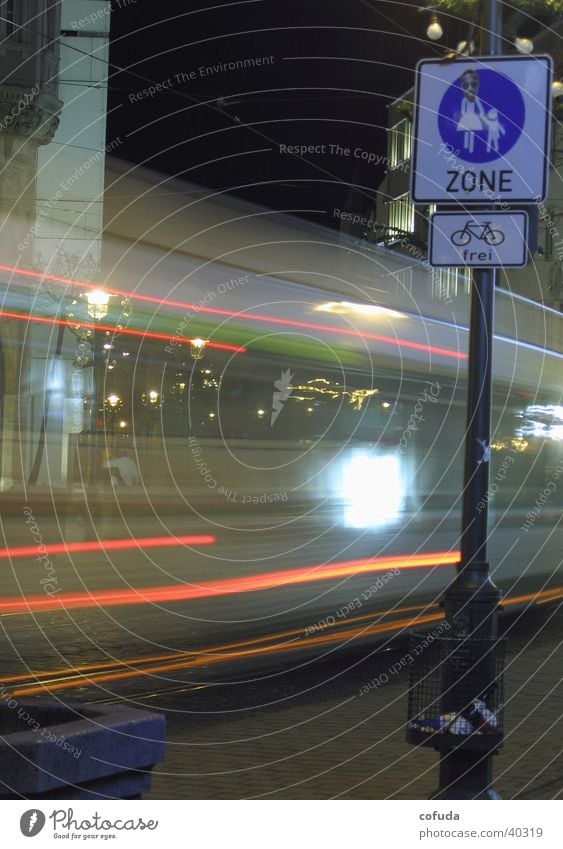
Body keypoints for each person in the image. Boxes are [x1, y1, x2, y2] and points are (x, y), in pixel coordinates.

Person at [456, 69, 485, 154]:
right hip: (467, 118)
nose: (470, 89)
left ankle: (471, 150)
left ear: (478, 86)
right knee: (466, 132)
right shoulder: (464, 100)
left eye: (474, 85)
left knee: (472, 133)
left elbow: (481, 110)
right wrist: (464, 116)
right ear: (461, 87)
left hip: (474, 118)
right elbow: (462, 110)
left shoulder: (477, 99)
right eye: (466, 86)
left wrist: (480, 115)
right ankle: (465, 149)